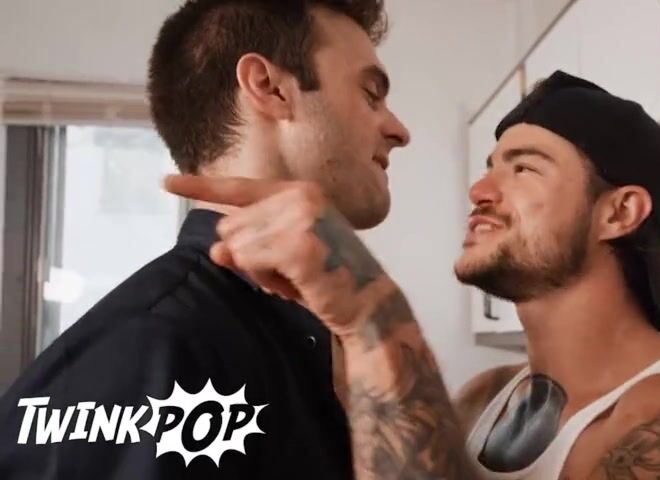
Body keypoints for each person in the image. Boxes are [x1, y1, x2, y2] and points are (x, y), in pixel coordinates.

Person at [163, 71, 660, 479]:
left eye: (524, 168)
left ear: (619, 212)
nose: (479, 190)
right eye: (490, 166)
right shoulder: (487, 397)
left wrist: (377, 315)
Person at [0, 0, 408, 478]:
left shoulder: (327, 328)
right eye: (371, 94)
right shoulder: (157, 344)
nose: (398, 130)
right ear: (269, 87)